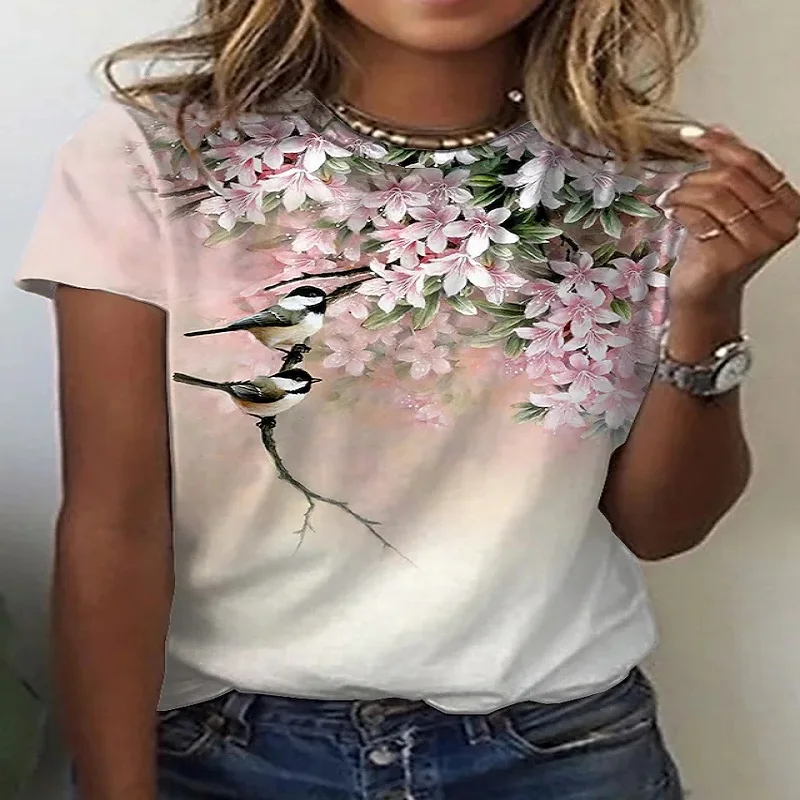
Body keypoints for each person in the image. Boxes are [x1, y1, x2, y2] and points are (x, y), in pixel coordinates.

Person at [15, 0, 800, 798]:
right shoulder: (160, 155)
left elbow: (662, 527)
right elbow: (114, 524)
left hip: (560, 751)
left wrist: (709, 305)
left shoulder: (652, 187)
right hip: (223, 754)